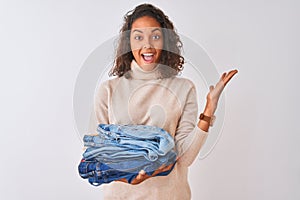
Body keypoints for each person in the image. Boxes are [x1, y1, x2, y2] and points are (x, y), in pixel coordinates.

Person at [93, 3, 238, 200]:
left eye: (155, 36)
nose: (147, 45)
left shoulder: (184, 88)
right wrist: (127, 178)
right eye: (138, 37)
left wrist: (209, 109)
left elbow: (185, 158)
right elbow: (96, 156)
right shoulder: (108, 91)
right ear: (128, 43)